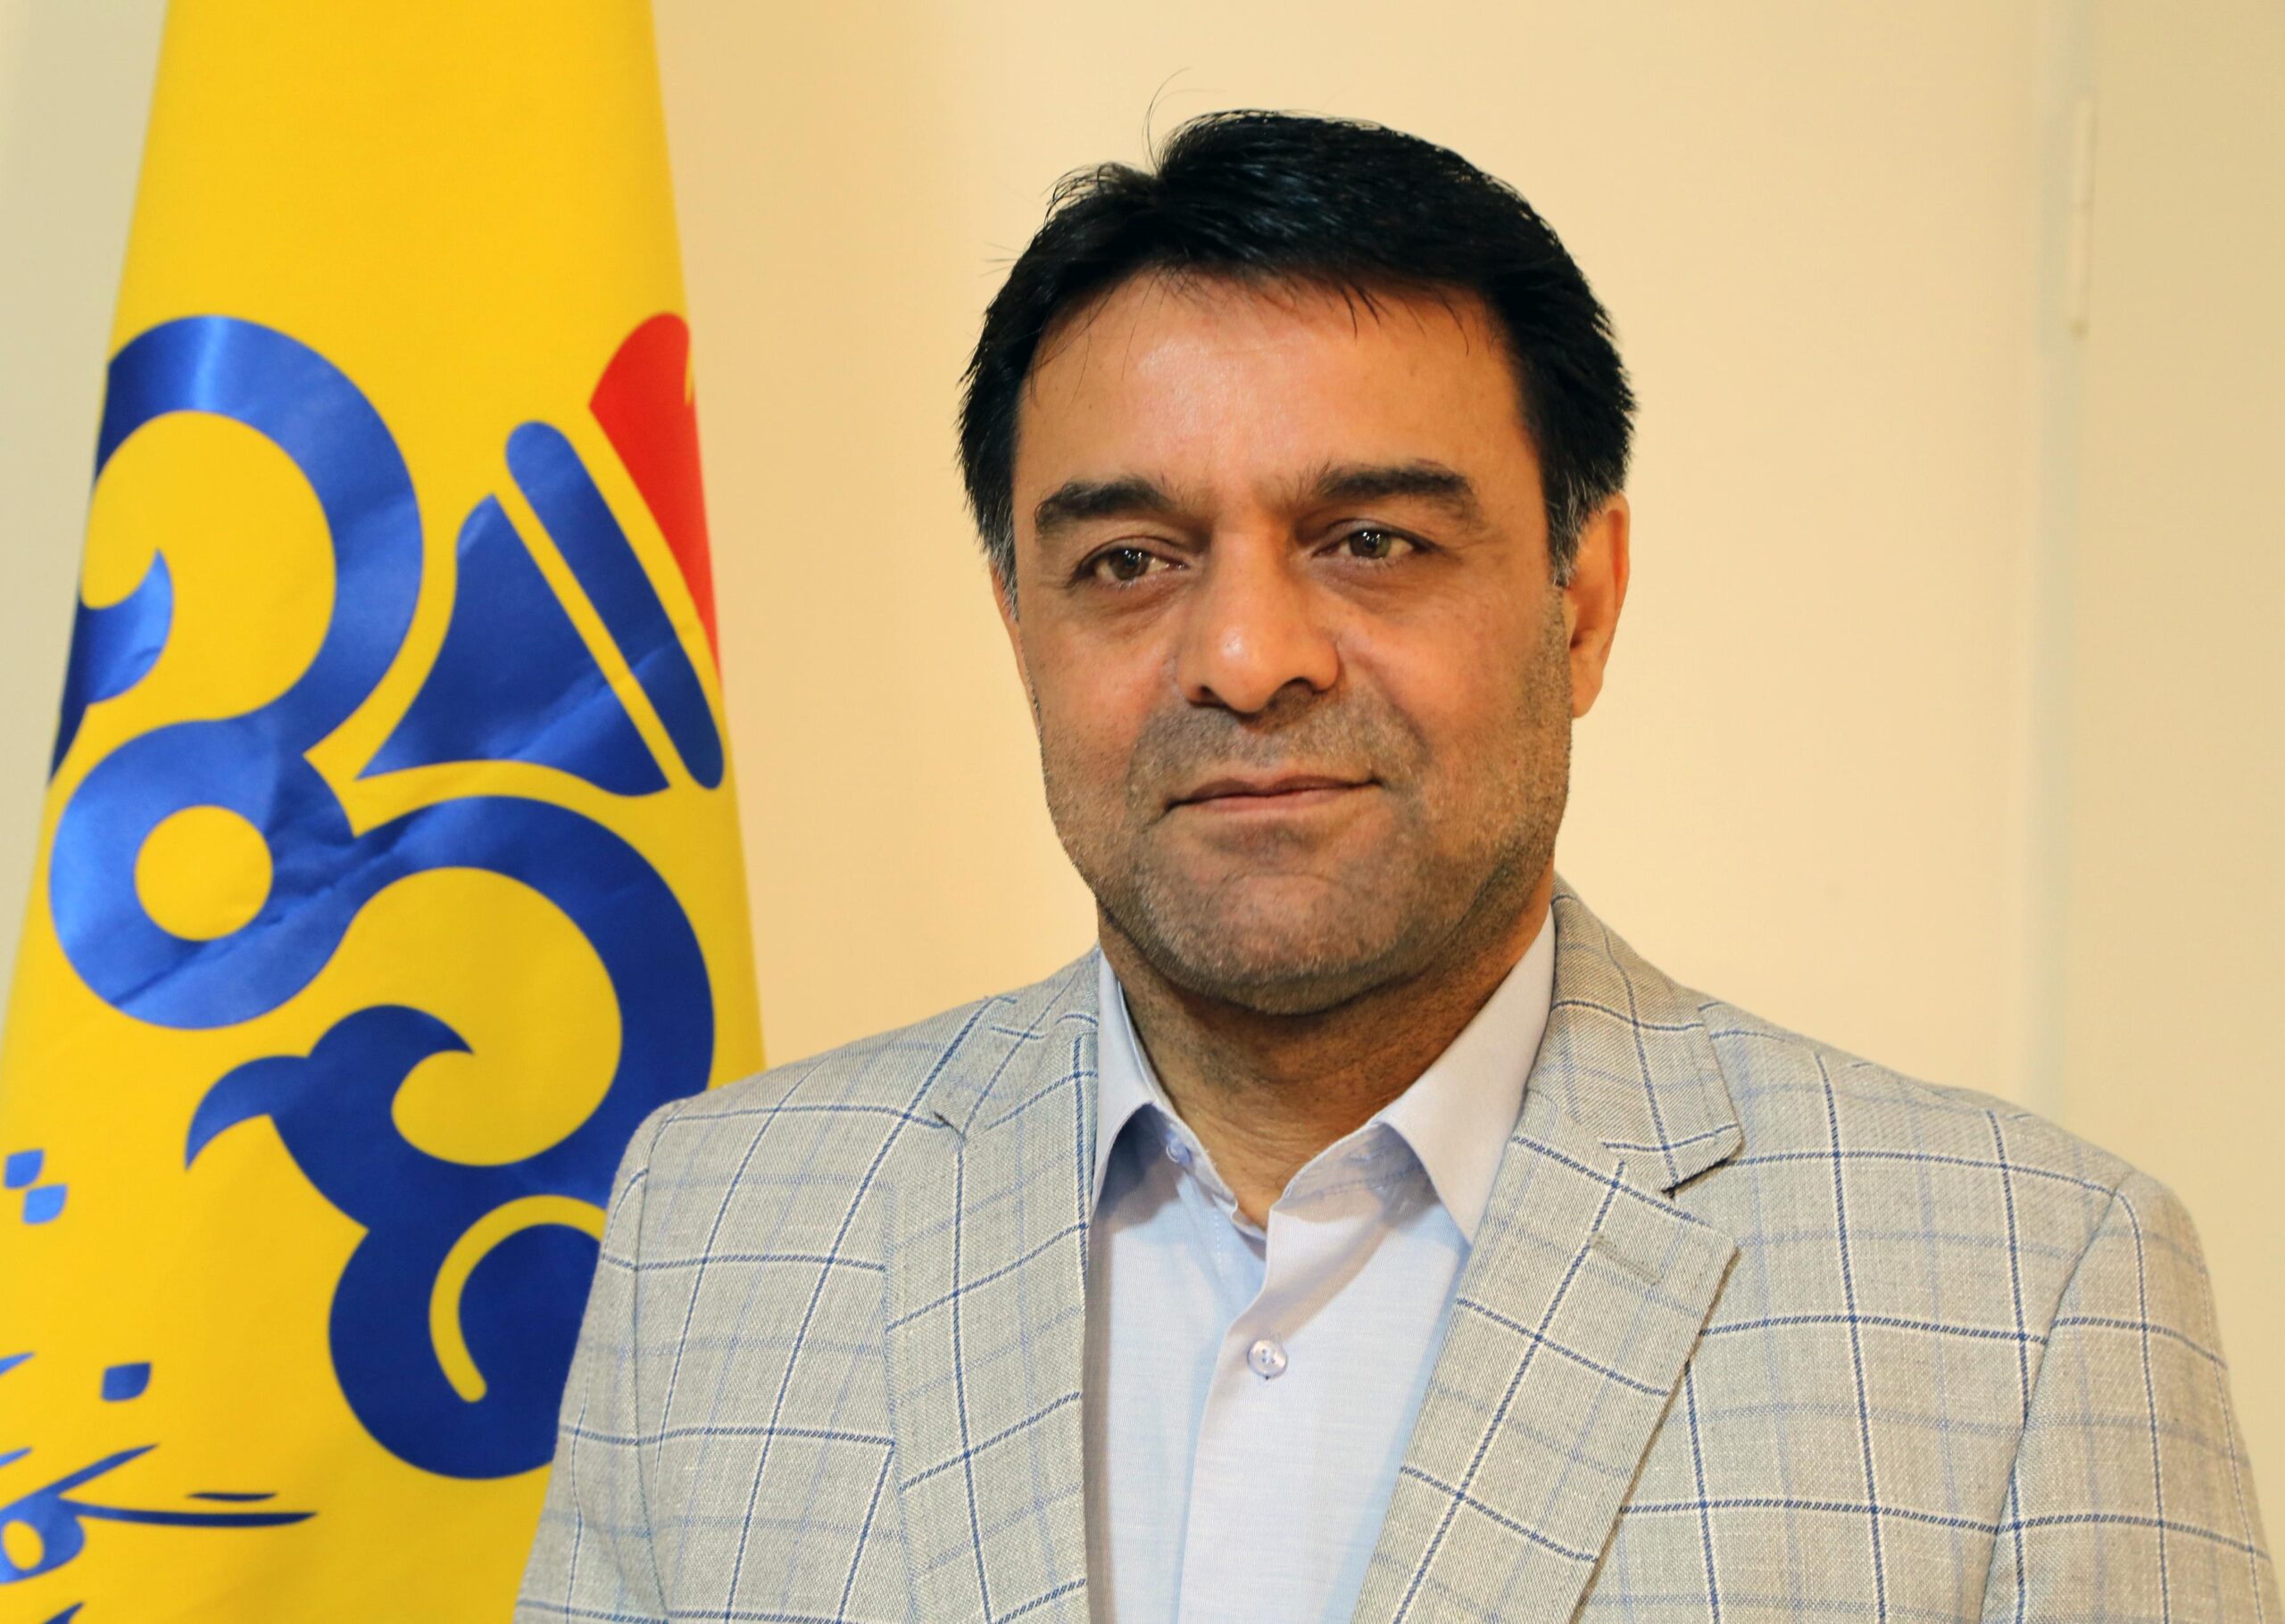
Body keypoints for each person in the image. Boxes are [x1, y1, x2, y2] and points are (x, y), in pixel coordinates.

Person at [517, 111, 2275, 1622]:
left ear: (1580, 602)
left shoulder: (2029, 1296)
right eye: (1129, 560)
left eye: (1370, 540)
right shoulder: (717, 1234)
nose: (1245, 657)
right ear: (1018, 623)